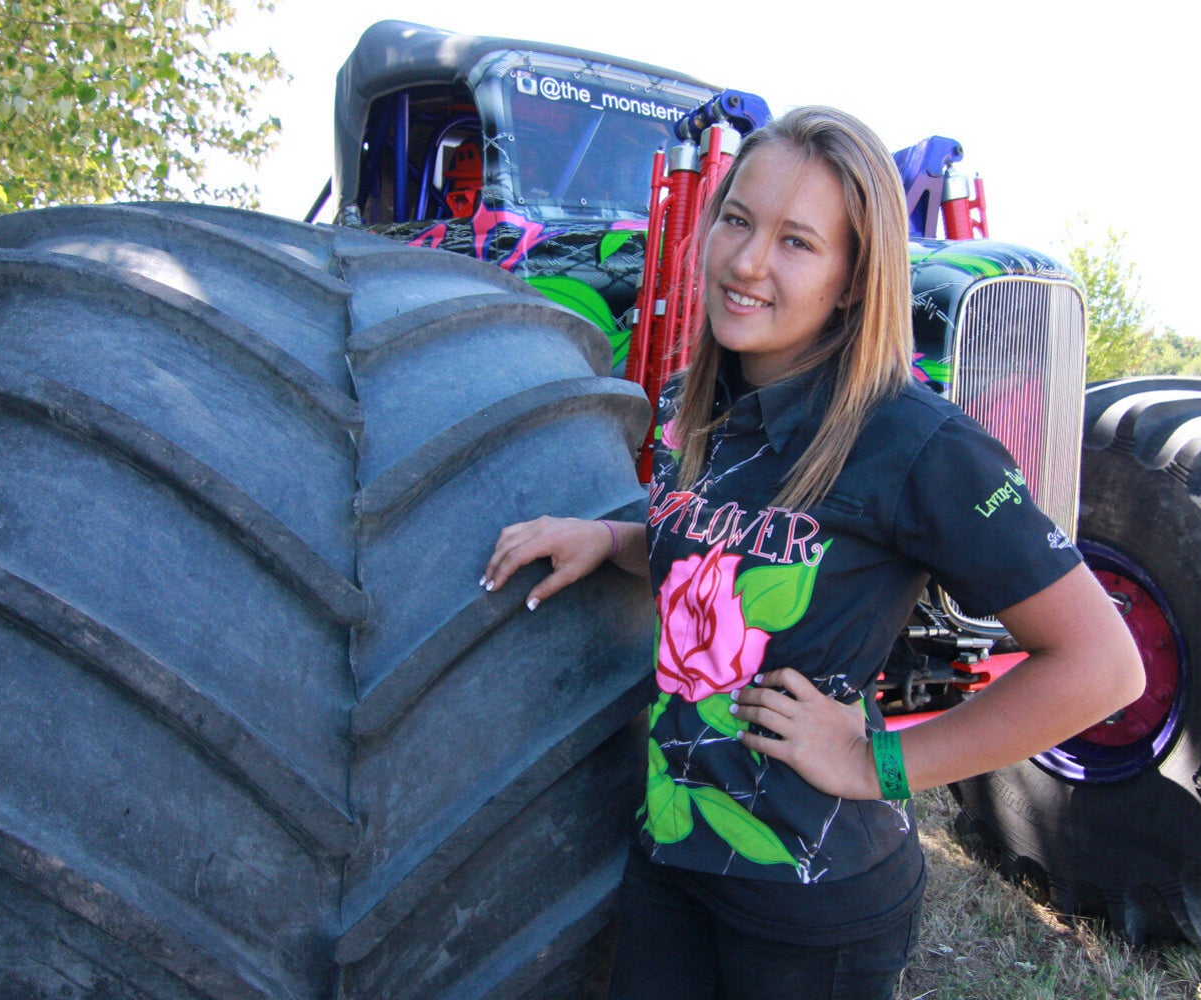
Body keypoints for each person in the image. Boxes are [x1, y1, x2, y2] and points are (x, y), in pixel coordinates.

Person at [480, 106, 1144, 1000]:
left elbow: (1103, 667)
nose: (748, 261)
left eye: (797, 241)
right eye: (737, 221)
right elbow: (726, 546)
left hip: (808, 897)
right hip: (671, 852)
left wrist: (881, 763)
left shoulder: (913, 443)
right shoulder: (702, 403)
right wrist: (609, 538)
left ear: (850, 279)